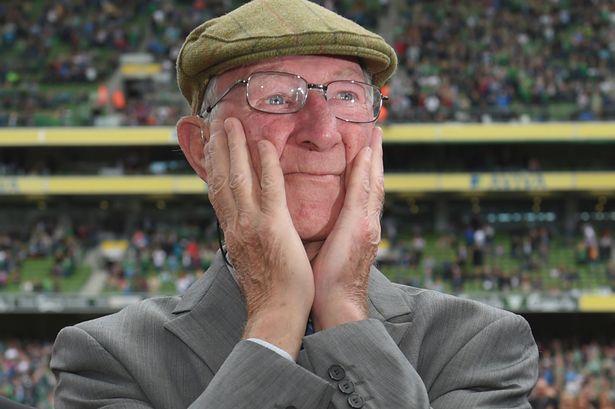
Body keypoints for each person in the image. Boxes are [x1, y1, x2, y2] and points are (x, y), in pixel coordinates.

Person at [50, 1, 539, 408]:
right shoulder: (107, 358)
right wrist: (275, 315)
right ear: (202, 149)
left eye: (347, 96)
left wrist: (345, 309)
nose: (323, 133)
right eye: (278, 97)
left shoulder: (479, 345)